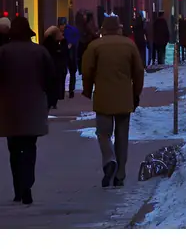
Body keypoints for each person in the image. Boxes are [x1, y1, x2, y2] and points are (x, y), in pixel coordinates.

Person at [82, 13, 144, 188]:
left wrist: (88, 90)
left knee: (103, 133)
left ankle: (109, 159)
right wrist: (136, 93)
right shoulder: (129, 45)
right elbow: (138, 71)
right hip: (124, 97)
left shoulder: (95, 46)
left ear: (103, 29)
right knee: (122, 135)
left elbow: (87, 71)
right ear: (119, 28)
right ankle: (120, 175)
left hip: (103, 96)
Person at [0, 15, 56, 204]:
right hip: (33, 106)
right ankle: (27, 185)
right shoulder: (39, 52)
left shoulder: (3, 52)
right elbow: (51, 79)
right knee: (30, 147)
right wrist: (49, 100)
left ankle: (19, 188)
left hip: (9, 107)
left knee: (14, 149)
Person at [43, 26, 69, 107]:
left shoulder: (47, 43)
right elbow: (63, 53)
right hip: (56, 67)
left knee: (52, 85)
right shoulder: (54, 44)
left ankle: (52, 101)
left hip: (51, 68)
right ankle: (53, 101)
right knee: (55, 85)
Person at [60, 18, 79, 97]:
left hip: (65, 54)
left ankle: (62, 91)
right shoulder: (73, 29)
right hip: (72, 53)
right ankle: (71, 90)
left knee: (64, 72)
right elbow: (77, 37)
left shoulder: (62, 31)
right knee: (72, 72)